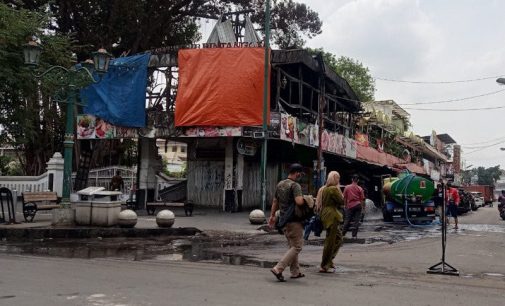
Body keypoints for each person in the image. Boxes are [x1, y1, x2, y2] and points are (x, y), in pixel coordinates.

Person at [268, 163, 306, 282]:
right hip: (294, 220)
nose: (300, 176)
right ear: (297, 173)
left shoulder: (280, 184)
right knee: (297, 246)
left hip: (283, 220)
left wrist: (272, 215)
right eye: (300, 173)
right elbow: (299, 202)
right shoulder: (295, 186)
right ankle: (278, 268)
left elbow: (275, 201)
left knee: (292, 246)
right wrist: (308, 199)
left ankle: (295, 272)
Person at [318, 171, 344, 273]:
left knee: (338, 238)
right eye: (337, 178)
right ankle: (325, 265)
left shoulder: (325, 189)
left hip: (326, 214)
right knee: (330, 241)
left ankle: (329, 260)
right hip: (331, 215)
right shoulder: (333, 189)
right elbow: (342, 201)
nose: (338, 180)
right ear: (334, 178)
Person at [342, 174, 365, 239]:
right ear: (358, 180)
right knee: (356, 221)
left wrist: (345, 205)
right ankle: (354, 236)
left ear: (352, 179)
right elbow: (362, 199)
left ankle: (342, 234)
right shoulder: (360, 188)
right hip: (358, 206)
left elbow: (344, 198)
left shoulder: (347, 187)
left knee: (347, 220)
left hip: (350, 206)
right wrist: (363, 208)